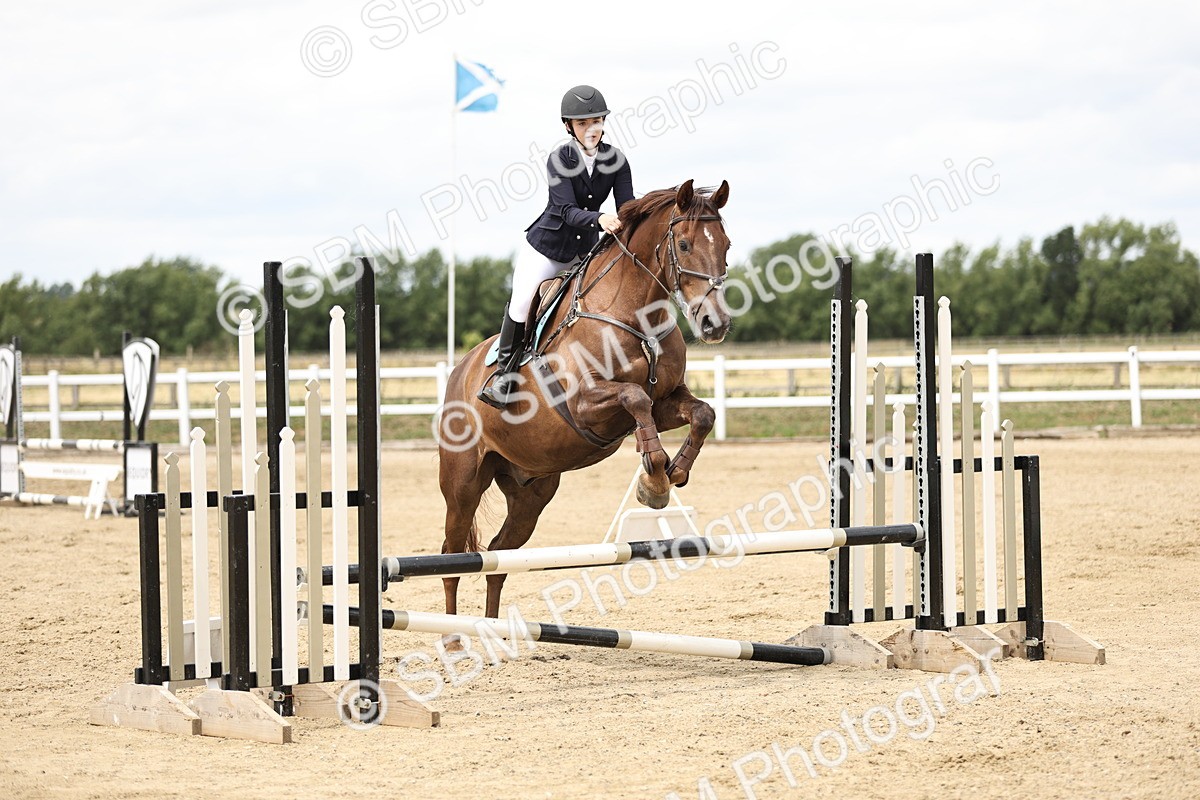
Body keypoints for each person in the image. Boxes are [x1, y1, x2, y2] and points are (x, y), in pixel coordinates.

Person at [478, 84, 635, 409]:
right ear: (569, 126)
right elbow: (565, 211)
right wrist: (601, 219)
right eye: (583, 123)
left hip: (585, 252)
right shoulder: (559, 160)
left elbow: (628, 206)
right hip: (547, 249)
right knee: (522, 302)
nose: (591, 129)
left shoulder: (616, 161)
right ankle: (504, 378)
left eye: (596, 121)